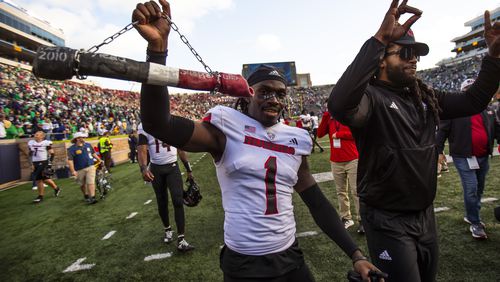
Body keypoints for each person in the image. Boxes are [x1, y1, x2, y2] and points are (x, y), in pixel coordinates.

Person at [133, 1, 380, 280]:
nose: (273, 98)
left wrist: (355, 254)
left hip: (290, 257)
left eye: (280, 93)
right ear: (247, 95)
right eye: (264, 91)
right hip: (244, 264)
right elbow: (157, 123)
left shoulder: (295, 138)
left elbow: (317, 202)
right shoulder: (225, 129)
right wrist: (157, 51)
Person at [328, 0, 500, 280]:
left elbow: (474, 100)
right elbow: (339, 106)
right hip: (387, 219)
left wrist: (493, 58)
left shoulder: (425, 96)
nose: (414, 59)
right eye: (405, 52)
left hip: (424, 214)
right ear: (381, 59)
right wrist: (379, 39)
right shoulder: (371, 97)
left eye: (417, 54)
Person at [436, 78, 500, 240]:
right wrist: (438, 151)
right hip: (463, 156)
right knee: (471, 188)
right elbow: (442, 131)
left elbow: (496, 128)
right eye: (468, 90)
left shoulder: (487, 109)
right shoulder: (454, 110)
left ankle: (472, 213)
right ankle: (475, 222)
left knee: (478, 188)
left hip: (483, 155)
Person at [137, 123, 195, 252]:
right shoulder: (144, 125)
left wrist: (188, 169)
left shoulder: (171, 122)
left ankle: (181, 239)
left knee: (178, 200)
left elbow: (180, 148)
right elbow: (142, 149)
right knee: (162, 200)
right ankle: (167, 230)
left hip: (172, 167)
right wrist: (143, 169)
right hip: (156, 168)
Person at [317, 108, 361, 233]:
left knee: (356, 191)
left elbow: (357, 134)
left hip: (353, 159)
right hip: (336, 161)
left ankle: (362, 220)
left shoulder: (349, 116)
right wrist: (326, 116)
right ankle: (346, 218)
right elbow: (320, 134)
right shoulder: (330, 119)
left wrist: (340, 135)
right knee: (341, 192)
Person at [67, 132, 101, 204]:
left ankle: (92, 197)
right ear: (77, 138)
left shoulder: (88, 145)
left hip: (90, 166)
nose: (84, 138)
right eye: (82, 137)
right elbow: (70, 160)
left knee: (91, 182)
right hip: (79, 169)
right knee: (82, 184)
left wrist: (99, 159)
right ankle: (86, 195)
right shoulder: (71, 149)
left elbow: (93, 153)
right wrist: (73, 171)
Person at [28, 131, 62, 203]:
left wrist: (49, 164)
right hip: (35, 162)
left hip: (43, 162)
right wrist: (31, 163)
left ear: (42, 136)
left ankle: (40, 196)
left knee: (39, 179)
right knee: (45, 179)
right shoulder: (31, 143)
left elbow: (52, 154)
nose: (35, 135)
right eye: (35, 134)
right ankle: (56, 188)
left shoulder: (46, 143)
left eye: (37, 135)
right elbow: (30, 154)